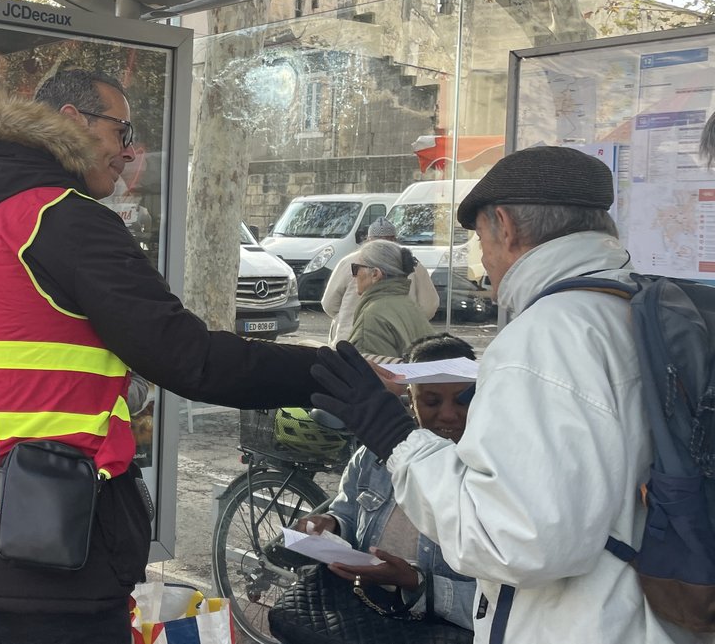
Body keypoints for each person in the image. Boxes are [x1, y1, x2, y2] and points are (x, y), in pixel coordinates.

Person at [0, 71, 336, 644]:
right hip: (47, 544)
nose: (130, 150)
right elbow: (187, 357)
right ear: (72, 120)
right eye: (121, 129)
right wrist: (331, 372)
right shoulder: (62, 219)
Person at [308, 146, 704, 643]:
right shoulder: (626, 306)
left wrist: (395, 437)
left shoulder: (546, 337)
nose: (481, 258)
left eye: (478, 238)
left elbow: (509, 538)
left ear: (504, 225)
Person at [294, 333, 477, 632]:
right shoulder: (374, 456)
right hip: (367, 620)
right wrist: (331, 525)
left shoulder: (489, 473)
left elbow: (498, 604)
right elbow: (348, 513)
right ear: (411, 400)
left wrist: (415, 585)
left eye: (461, 400)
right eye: (431, 401)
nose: (447, 414)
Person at [322, 217, 437, 343]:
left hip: (349, 338)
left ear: (368, 240)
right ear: (395, 239)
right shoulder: (412, 264)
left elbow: (329, 304)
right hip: (400, 339)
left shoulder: (349, 262)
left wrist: (346, 318)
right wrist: (408, 321)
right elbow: (429, 306)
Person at [345, 239, 434, 359]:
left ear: (375, 274)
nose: (353, 275)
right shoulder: (407, 303)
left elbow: (369, 373)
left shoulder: (372, 316)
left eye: (356, 268)